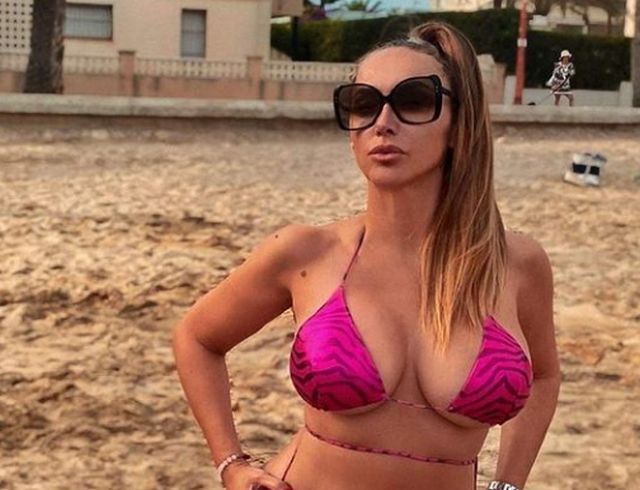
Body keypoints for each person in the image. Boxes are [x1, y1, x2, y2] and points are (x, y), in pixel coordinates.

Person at [172, 21, 561, 490]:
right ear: (351, 132)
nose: (383, 122)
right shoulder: (307, 253)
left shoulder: (515, 264)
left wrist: (508, 484)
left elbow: (544, 376)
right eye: (363, 104)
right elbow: (197, 337)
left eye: (414, 100)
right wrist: (232, 464)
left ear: (459, 126)